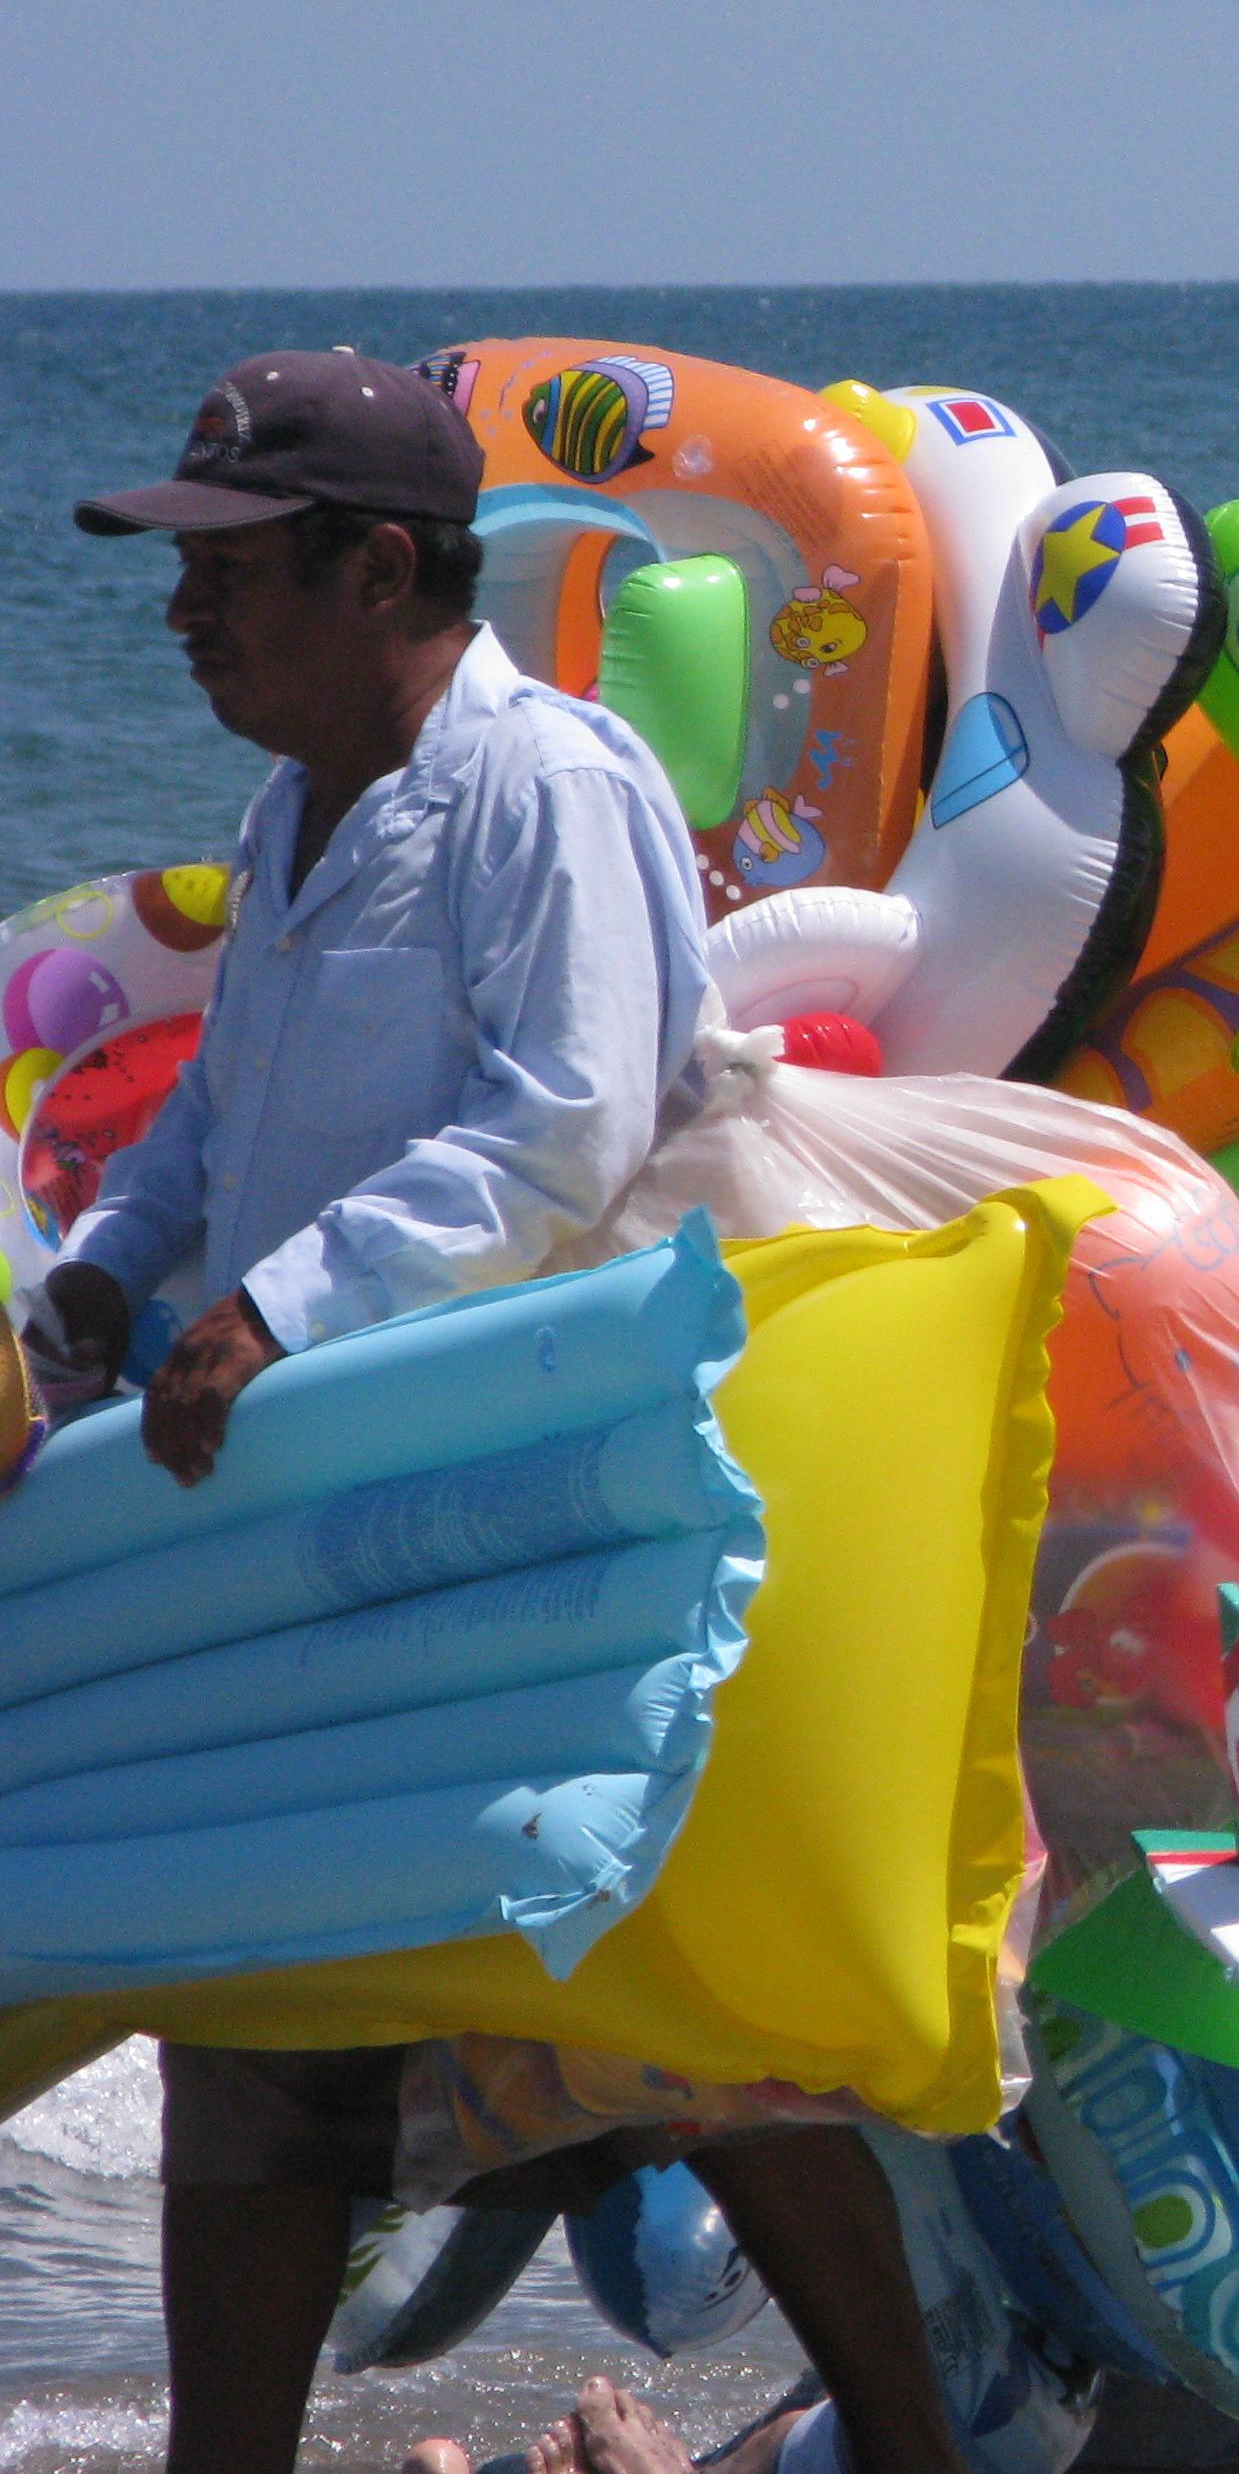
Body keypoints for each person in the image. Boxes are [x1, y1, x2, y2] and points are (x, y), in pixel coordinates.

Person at [33, 353, 962, 2474]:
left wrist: (278, 1304)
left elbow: (570, 1126)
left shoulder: (544, 784)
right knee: (257, 2007)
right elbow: (228, 1110)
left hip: (523, 1492)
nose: (186, 615)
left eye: (232, 571)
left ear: (382, 570)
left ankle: (912, 2444)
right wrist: (119, 1261)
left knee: (660, 2011)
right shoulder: (298, 804)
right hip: (330, 1504)